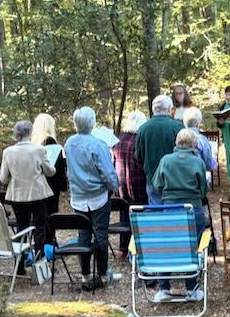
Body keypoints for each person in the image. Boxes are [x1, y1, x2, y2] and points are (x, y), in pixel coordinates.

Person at [65, 107, 120, 289]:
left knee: (83, 235)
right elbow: (107, 172)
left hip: (78, 195)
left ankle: (86, 274)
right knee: (101, 234)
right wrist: (114, 187)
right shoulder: (98, 145)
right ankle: (103, 274)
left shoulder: (69, 143)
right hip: (98, 196)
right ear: (93, 123)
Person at [151, 128, 207, 303]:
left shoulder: (166, 160)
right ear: (194, 144)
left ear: (177, 143)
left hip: (170, 210)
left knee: (167, 246)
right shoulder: (197, 162)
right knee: (192, 246)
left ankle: (164, 288)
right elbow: (203, 190)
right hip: (193, 210)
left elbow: (156, 185)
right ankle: (191, 288)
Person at [0, 120, 56, 274]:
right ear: (30, 132)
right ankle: (40, 265)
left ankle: (19, 264)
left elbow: (3, 178)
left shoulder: (8, 152)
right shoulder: (39, 150)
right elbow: (50, 171)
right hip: (37, 194)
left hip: (17, 196)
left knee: (21, 228)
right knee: (39, 228)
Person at [112, 110, 148, 258]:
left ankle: (123, 248)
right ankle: (139, 248)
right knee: (140, 216)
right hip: (138, 184)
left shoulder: (118, 141)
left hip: (121, 186)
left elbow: (112, 164)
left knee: (124, 215)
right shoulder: (140, 141)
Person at [134, 95, 183, 204]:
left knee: (155, 211)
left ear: (153, 109)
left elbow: (138, 156)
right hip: (175, 180)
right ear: (170, 108)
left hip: (152, 179)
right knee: (174, 211)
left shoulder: (142, 129)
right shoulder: (178, 127)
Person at [31, 113, 68, 239]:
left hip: (36, 187)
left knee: (39, 220)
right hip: (50, 187)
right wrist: (63, 185)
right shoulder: (51, 143)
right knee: (49, 219)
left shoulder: (33, 145)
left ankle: (40, 243)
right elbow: (59, 169)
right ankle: (48, 243)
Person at [183, 107, 217, 173]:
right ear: (198, 123)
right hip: (196, 176)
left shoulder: (179, 137)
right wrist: (213, 157)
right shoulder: (202, 140)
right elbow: (209, 165)